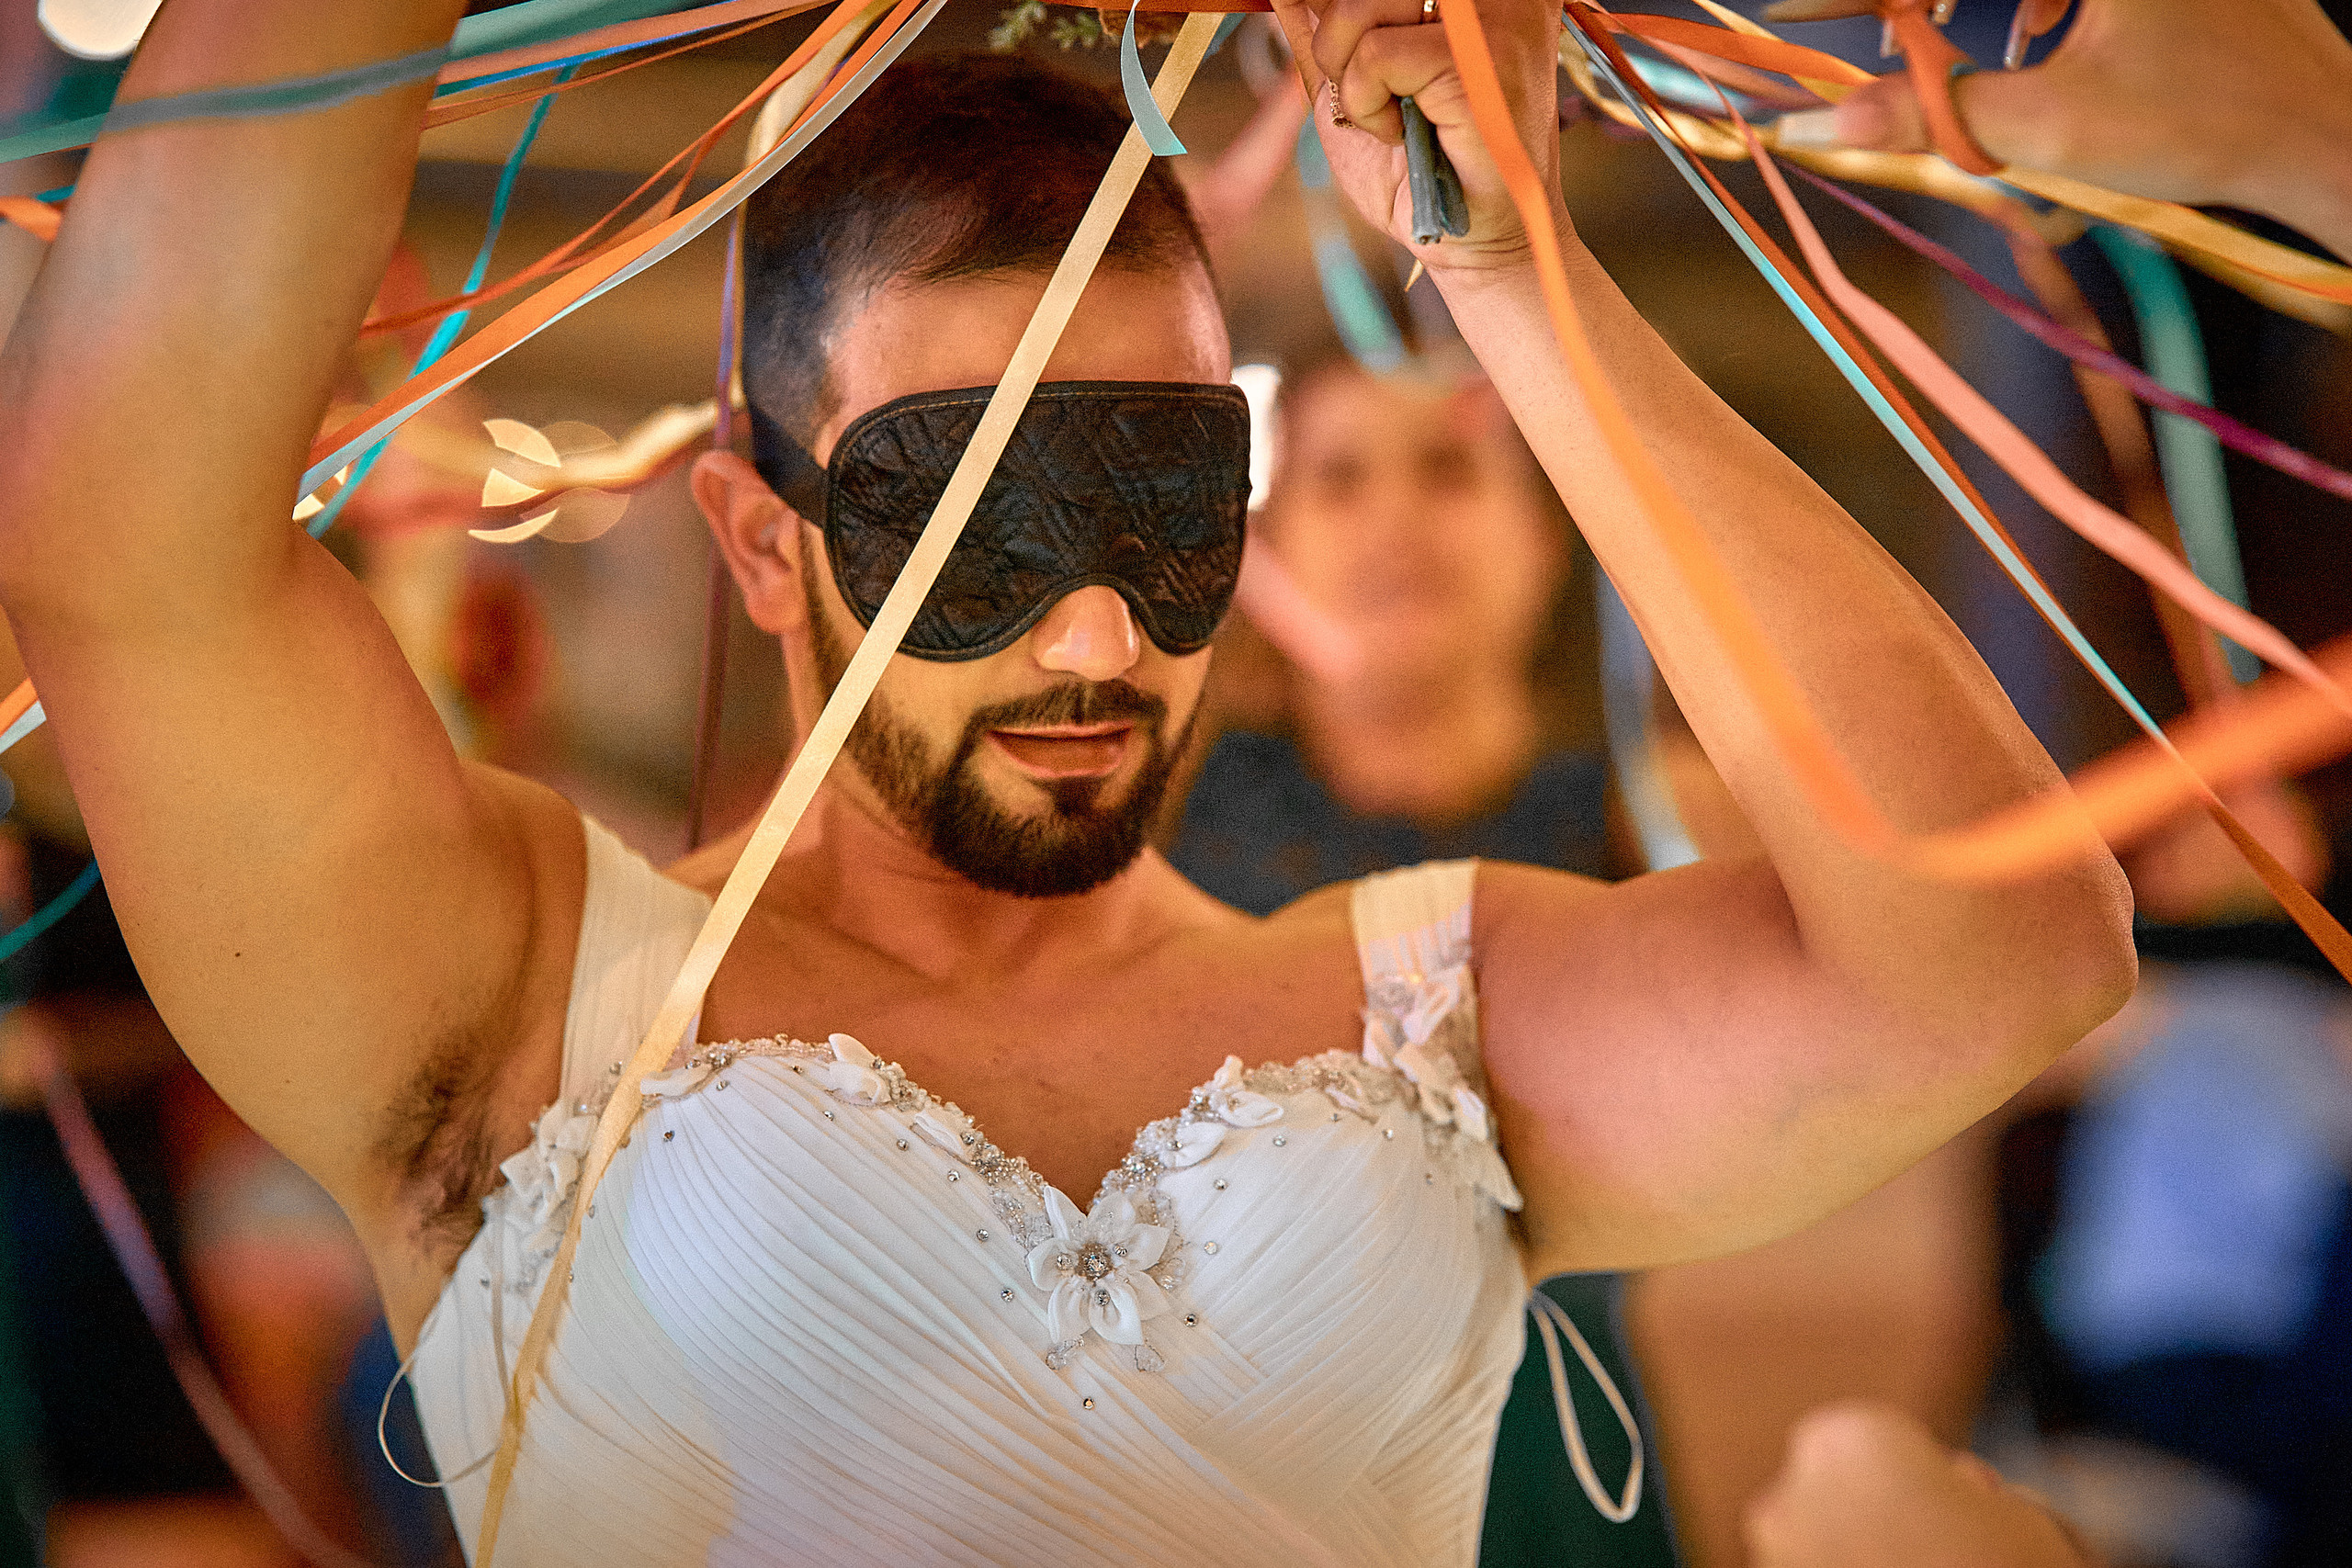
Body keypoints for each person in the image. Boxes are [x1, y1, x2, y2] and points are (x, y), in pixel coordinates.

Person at [0, 0, 2133, 1562]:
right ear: (763, 539)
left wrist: (1509, 272)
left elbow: (1995, 951)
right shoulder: (512, 992)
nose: (1098, 635)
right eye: (973, 529)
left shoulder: (1432, 1015)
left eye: (1165, 501)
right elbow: (129, 544)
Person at [1170, 355, 1674, 1565]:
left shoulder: (1661, 822)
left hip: (1553, 1459)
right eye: (1339, 479)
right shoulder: (1165, 812)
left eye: (1448, 468)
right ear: (1268, 550)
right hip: (1237, 1473)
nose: (1395, 518)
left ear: (1549, 534)